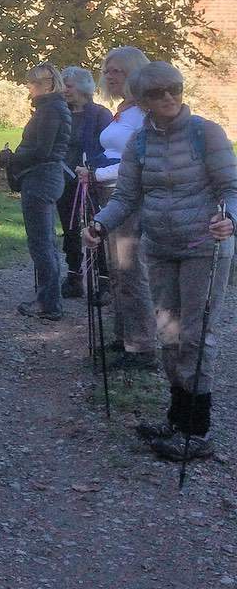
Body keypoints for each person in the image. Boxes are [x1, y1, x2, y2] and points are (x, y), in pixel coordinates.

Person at [83, 62, 237, 462]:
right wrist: (99, 225)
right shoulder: (139, 144)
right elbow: (125, 199)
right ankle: (176, 419)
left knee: (195, 334)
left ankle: (196, 432)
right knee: (168, 332)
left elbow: (232, 188)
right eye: (156, 93)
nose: (168, 97)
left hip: (206, 245)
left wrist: (230, 219)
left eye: (174, 89)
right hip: (162, 247)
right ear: (142, 100)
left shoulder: (207, 133)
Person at [76, 46, 156, 370]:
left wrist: (96, 173)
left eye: (118, 71)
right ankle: (124, 337)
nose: (110, 76)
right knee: (117, 272)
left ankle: (143, 348)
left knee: (131, 270)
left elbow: (135, 164)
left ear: (135, 74)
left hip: (130, 199)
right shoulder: (124, 110)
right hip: (110, 195)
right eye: (107, 70)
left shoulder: (145, 115)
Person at [0, 62, 72, 321]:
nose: (29, 87)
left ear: (48, 84)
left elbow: (43, 151)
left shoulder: (51, 110)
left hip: (42, 178)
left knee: (41, 243)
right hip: (46, 176)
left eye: (34, 83)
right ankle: (48, 298)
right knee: (45, 242)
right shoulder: (52, 108)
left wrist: (13, 158)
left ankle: (49, 303)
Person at [58, 67, 112, 298]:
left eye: (68, 86)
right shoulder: (62, 112)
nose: (64, 90)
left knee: (95, 227)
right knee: (69, 229)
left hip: (92, 180)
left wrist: (93, 171)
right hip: (64, 179)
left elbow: (109, 149)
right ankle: (73, 276)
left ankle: (102, 281)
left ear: (82, 87)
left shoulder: (101, 114)